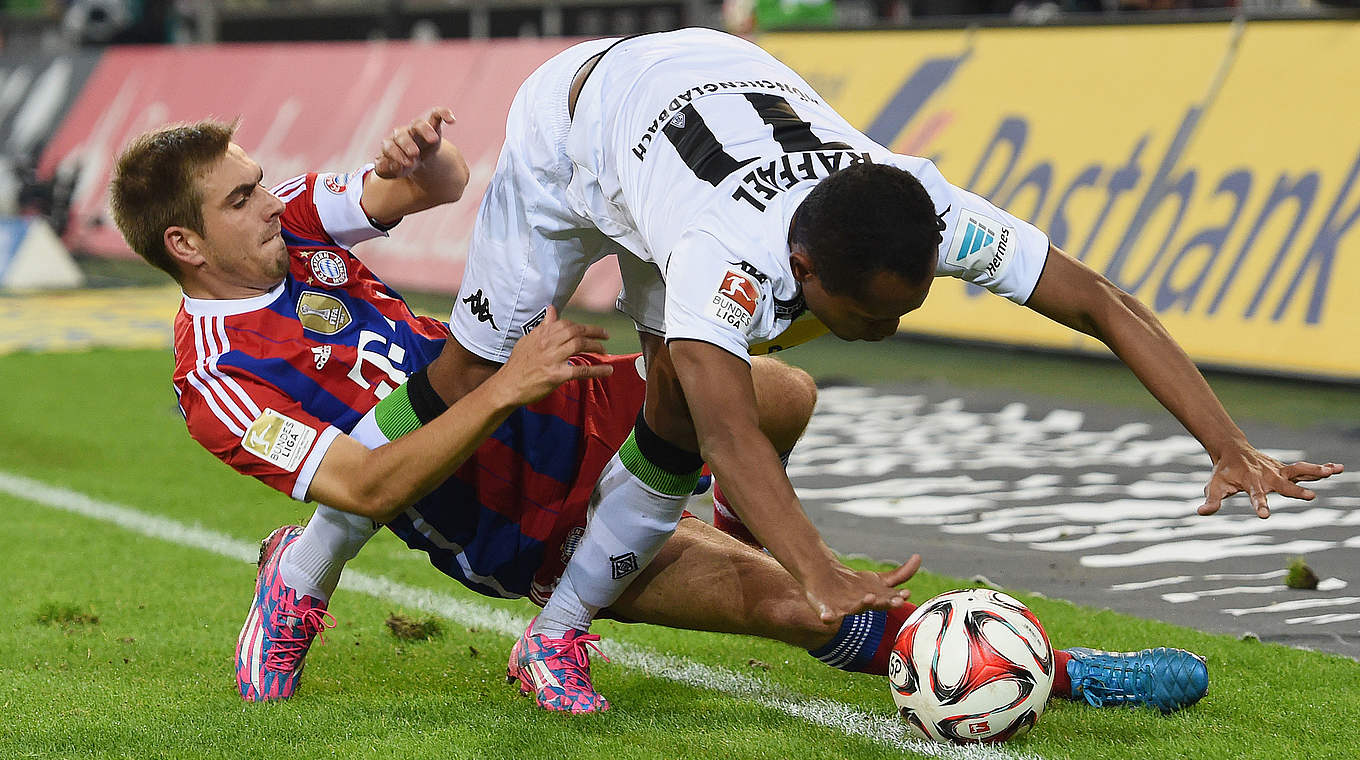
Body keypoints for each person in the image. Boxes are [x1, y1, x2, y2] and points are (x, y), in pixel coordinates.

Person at [107, 110, 1211, 717]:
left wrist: (423, 163)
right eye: (243, 197)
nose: (274, 198)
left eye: (259, 181)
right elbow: (365, 483)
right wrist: (503, 383)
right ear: (187, 247)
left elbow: (419, 192)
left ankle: (690, 500)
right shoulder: (216, 380)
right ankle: (1063, 673)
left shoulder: (293, 227)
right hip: (521, 520)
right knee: (796, 608)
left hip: (564, 399)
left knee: (777, 391)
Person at [404, 28, 1342, 713]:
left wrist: (1229, 445)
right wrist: (818, 568)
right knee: (479, 381)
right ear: (804, 275)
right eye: (874, 314)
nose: (891, 330)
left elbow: (1097, 299)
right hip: (576, 129)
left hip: (707, 90)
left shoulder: (918, 205)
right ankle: (316, 557)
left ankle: (555, 637)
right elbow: (735, 429)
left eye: (910, 304)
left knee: (685, 420)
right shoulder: (723, 258)